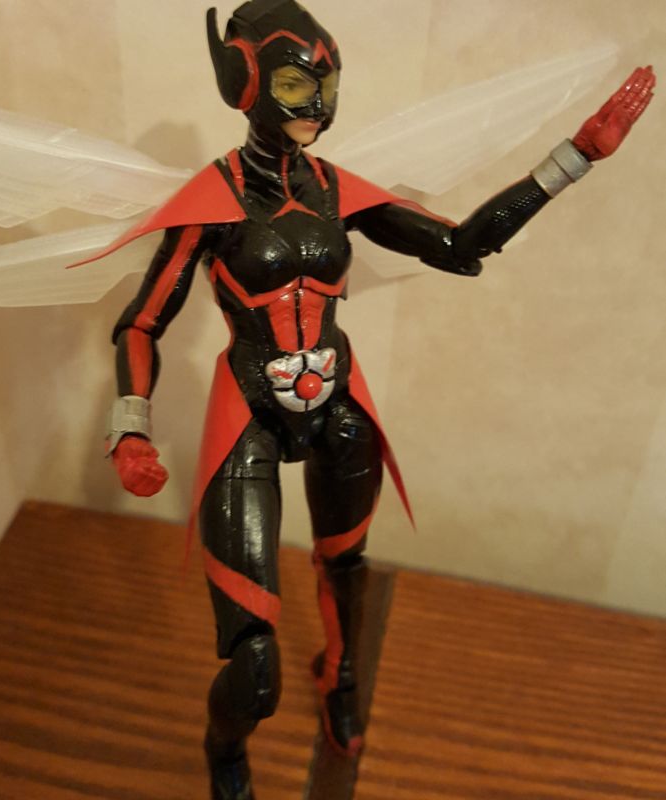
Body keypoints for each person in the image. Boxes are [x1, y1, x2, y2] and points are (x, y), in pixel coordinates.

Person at [89, 2, 654, 797]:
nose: (317, 105)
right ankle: (225, 750)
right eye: (295, 83)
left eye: (327, 86)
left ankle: (342, 673)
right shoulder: (211, 202)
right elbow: (143, 323)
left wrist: (574, 158)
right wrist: (130, 428)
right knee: (253, 659)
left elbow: (458, 246)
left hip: (337, 401)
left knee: (345, 562)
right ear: (245, 82)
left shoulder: (335, 189)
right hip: (249, 410)